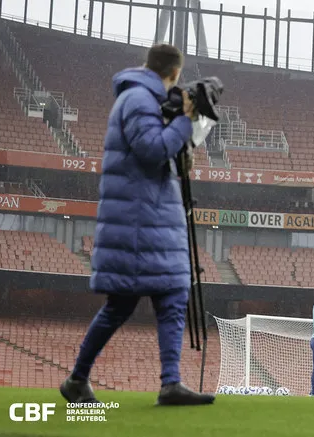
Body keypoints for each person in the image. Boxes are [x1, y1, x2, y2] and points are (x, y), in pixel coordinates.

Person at [60, 44, 213, 406]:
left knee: (164, 296)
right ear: (174, 73)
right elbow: (150, 150)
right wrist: (183, 121)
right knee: (133, 302)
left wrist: (183, 148)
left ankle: (165, 382)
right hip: (141, 221)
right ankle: (85, 379)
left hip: (145, 219)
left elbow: (157, 159)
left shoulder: (141, 99)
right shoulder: (140, 100)